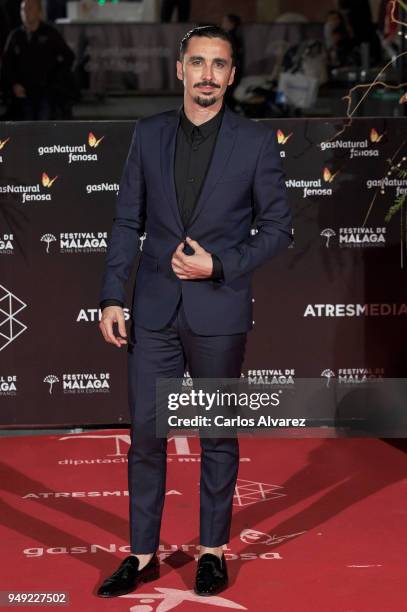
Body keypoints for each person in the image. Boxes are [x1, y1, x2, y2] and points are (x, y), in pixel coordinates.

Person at [97, 25, 292, 598]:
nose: (208, 74)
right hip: (153, 309)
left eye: (220, 65)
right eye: (198, 63)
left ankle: (212, 551)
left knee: (218, 437)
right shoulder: (148, 133)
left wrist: (221, 265)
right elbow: (127, 221)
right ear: (180, 68)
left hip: (219, 311)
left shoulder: (255, 142)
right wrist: (112, 294)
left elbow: (279, 229)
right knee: (147, 438)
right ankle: (140, 554)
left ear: (233, 76)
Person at [1, 0, 75, 120]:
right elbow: (6, 63)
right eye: (23, 9)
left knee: (43, 126)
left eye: (30, 8)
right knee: (25, 129)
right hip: (23, 93)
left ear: (39, 12)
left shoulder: (50, 34)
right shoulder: (16, 36)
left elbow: (69, 57)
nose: (25, 12)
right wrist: (14, 84)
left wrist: (55, 78)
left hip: (45, 92)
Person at [221, 14, 244, 110]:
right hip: (232, 70)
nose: (222, 24)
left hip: (231, 71)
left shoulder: (231, 38)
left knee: (227, 95)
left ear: (232, 24)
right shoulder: (231, 37)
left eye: (225, 22)